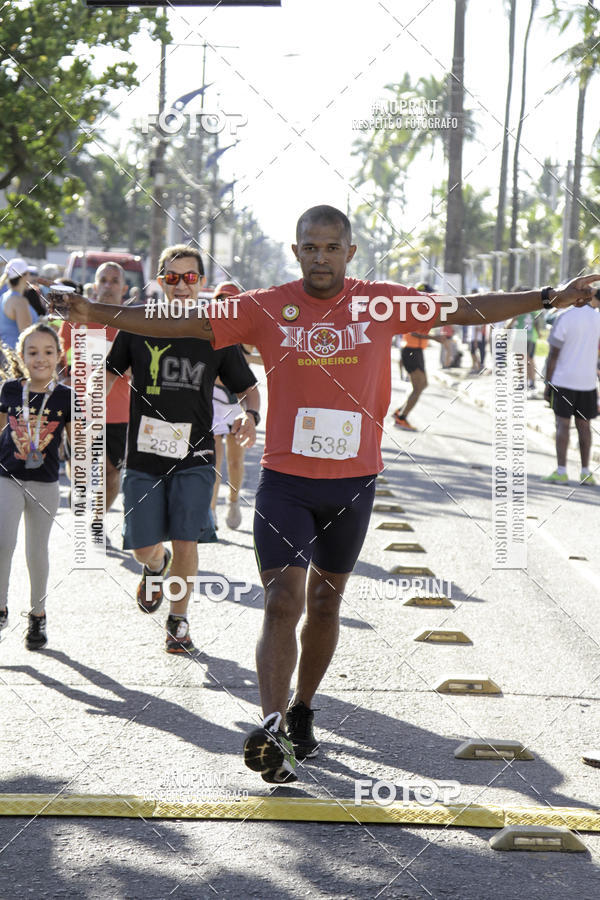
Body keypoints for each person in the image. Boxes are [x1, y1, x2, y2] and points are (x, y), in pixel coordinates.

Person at [50, 205, 599, 783]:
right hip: (286, 482)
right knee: (282, 600)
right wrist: (96, 312)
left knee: (325, 603)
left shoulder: (378, 302)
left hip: (353, 482)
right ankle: (271, 724)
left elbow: (463, 310)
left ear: (349, 253)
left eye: (331, 247)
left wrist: (548, 296)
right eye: (310, 247)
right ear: (296, 251)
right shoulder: (266, 305)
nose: (320, 257)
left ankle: (303, 706)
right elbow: (183, 321)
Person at [102, 245, 259, 653]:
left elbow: (249, 388)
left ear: (202, 283)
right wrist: (88, 410)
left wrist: (249, 416)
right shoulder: (137, 324)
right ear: (160, 281)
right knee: (141, 547)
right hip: (144, 455)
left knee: (186, 537)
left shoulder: (216, 331)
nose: (182, 286)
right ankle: (156, 568)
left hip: (197, 455)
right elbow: (110, 372)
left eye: (190, 277)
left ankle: (179, 620)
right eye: (172, 277)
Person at [0, 323, 72, 649]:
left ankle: (37, 616)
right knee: (3, 542)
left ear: (59, 356)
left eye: (47, 352)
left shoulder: (66, 396)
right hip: (8, 478)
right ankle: (0, 608)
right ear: (22, 355)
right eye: (33, 352)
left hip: (45, 483)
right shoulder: (10, 390)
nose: (40, 358)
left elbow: (77, 445)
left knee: (36, 551)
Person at [59, 262, 130, 512]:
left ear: (124, 288)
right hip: (80, 407)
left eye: (114, 280)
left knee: (111, 473)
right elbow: (60, 354)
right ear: (95, 285)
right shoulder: (77, 318)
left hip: (118, 411)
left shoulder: (132, 323)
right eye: (103, 280)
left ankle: (98, 518)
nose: (108, 286)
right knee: (78, 466)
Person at [210, 281, 262, 531]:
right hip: (212, 398)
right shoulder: (206, 326)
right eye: (221, 299)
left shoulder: (247, 332)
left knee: (235, 461)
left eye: (230, 300)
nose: (224, 304)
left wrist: (241, 357)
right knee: (213, 458)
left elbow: (266, 357)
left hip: (236, 402)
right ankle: (210, 513)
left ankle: (232, 501)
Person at [542, 297, 600, 485]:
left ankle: (561, 471)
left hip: (563, 381)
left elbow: (553, 354)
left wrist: (547, 383)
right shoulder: (597, 318)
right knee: (584, 426)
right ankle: (585, 472)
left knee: (562, 425)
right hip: (588, 382)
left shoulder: (564, 317)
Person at [392, 324, 448, 431]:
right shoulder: (413, 313)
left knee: (423, 384)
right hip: (411, 352)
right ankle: (401, 418)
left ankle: (400, 411)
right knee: (418, 387)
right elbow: (413, 332)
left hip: (416, 351)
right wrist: (434, 338)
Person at [0, 259, 34, 347]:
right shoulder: (19, 301)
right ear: (23, 276)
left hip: (6, 354)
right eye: (29, 273)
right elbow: (27, 335)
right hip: (15, 356)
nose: (30, 277)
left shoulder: (4, 296)